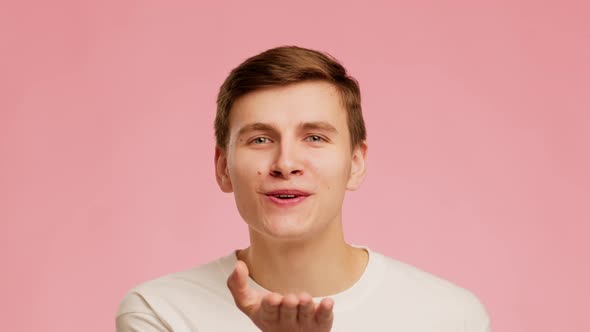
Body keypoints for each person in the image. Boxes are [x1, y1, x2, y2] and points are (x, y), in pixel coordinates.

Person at [116, 45, 491, 331]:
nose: (285, 163)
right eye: (260, 140)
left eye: (314, 137)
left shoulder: (449, 317)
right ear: (222, 167)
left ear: (356, 163)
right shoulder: (161, 311)